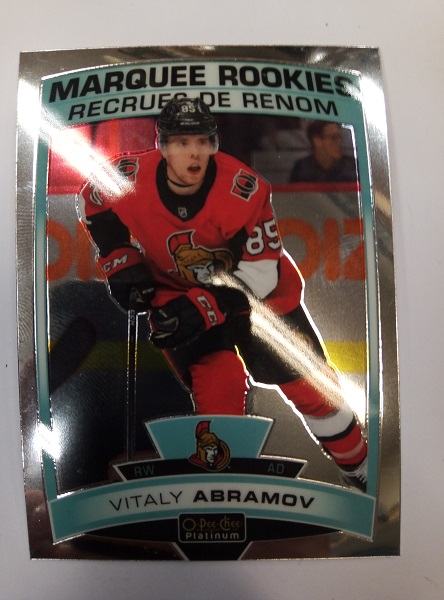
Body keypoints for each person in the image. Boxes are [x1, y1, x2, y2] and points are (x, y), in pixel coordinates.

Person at [78, 98, 368, 491]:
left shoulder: (244, 189)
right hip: (177, 290)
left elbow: (261, 272)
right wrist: (119, 258)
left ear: (214, 144)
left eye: (202, 141)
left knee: (314, 390)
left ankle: (360, 471)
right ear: (162, 146)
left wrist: (208, 305)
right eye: (182, 143)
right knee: (219, 385)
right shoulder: (129, 175)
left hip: (260, 299)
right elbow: (93, 199)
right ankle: (223, 486)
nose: (194, 152)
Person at [289, 120, 358, 183]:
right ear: (317, 141)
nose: (339, 143)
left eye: (340, 138)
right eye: (333, 138)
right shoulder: (302, 169)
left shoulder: (352, 166)